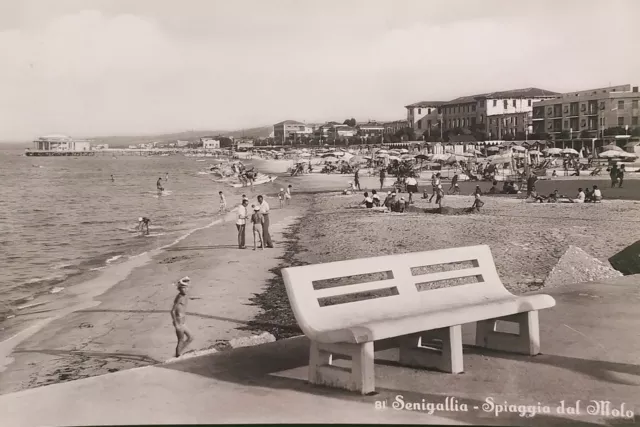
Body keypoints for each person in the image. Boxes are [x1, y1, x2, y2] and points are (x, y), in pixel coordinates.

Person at [171, 277, 194, 357]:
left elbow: (189, 283)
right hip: (179, 323)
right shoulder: (180, 298)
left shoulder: (185, 295)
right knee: (180, 340)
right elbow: (173, 311)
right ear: (180, 289)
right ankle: (178, 354)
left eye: (186, 288)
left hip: (183, 322)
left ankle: (179, 352)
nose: (185, 290)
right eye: (183, 288)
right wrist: (176, 323)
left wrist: (185, 279)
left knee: (191, 337)